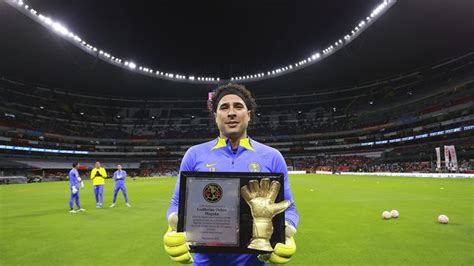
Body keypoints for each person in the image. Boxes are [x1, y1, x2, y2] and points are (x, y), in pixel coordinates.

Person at [164, 83, 299, 265]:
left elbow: (289, 207)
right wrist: (174, 226)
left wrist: (287, 230)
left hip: (256, 261)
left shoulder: (272, 157)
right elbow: (176, 204)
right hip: (206, 261)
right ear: (215, 116)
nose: (231, 112)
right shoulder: (194, 155)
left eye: (238, 106)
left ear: (249, 115)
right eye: (224, 107)